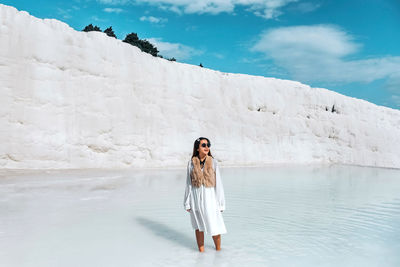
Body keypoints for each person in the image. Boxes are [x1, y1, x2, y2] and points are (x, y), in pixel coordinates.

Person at [184, 137, 227, 252]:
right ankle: (201, 254)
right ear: (197, 148)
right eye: (204, 145)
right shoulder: (191, 163)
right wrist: (187, 202)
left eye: (208, 144)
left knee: (214, 225)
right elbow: (188, 184)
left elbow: (219, 184)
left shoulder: (213, 162)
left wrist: (221, 204)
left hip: (210, 199)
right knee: (198, 226)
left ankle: (219, 252)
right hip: (195, 198)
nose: (207, 147)